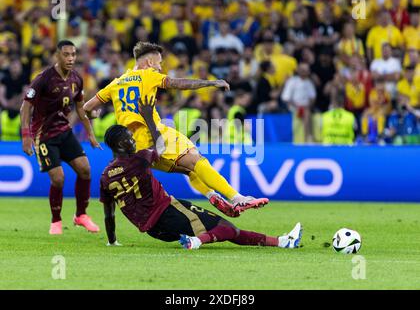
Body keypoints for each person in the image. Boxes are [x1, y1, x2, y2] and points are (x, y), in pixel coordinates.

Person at [83, 41, 268, 215]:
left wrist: (94, 116)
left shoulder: (115, 83)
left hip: (135, 148)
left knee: (188, 169)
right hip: (154, 134)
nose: (160, 68)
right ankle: (237, 198)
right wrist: (210, 83)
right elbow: (179, 84)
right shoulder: (148, 75)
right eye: (159, 63)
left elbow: (87, 108)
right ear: (149, 62)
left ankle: (212, 196)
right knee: (197, 161)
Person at [99, 96, 303, 250]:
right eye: (129, 137)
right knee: (227, 229)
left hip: (153, 230)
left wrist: (112, 241)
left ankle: (283, 241)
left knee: (226, 226)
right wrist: (149, 120)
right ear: (119, 144)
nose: (134, 140)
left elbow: (109, 213)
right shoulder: (140, 158)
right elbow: (160, 147)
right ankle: (197, 240)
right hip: (167, 212)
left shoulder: (106, 176)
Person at [20, 40, 101, 235]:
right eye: (66, 54)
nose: (71, 58)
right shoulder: (43, 79)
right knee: (58, 179)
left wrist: (90, 133)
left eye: (73, 54)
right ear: (57, 56)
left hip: (64, 131)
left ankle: (81, 215)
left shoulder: (76, 79)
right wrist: (26, 135)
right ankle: (56, 221)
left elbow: (80, 108)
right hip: (44, 135)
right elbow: (26, 106)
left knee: (85, 170)